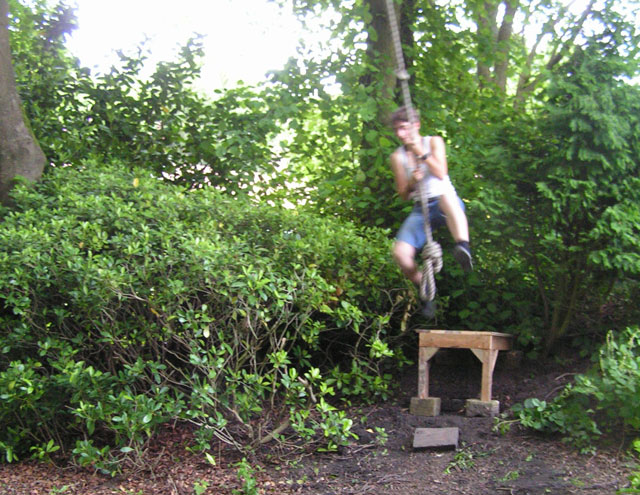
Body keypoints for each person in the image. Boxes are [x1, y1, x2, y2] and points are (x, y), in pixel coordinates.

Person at [390, 106, 472, 309]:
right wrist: (412, 182)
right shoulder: (397, 157)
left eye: (403, 128)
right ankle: (424, 290)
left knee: (445, 197)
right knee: (400, 254)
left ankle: (463, 246)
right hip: (421, 209)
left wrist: (420, 151)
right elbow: (403, 194)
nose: (400, 134)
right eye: (396, 130)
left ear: (415, 126)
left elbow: (441, 172)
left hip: (446, 203)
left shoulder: (433, 142)